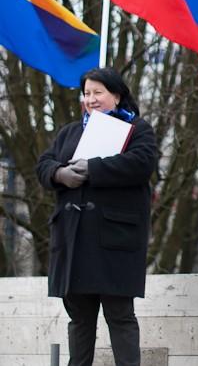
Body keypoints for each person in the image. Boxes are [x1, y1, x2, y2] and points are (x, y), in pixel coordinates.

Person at [37, 67, 158, 366]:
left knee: (120, 316)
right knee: (79, 320)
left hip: (114, 243)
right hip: (74, 242)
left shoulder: (137, 130)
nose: (90, 99)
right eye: (87, 93)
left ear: (116, 96)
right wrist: (60, 174)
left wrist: (93, 169)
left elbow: (141, 163)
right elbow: (44, 164)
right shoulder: (70, 132)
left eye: (98, 93)